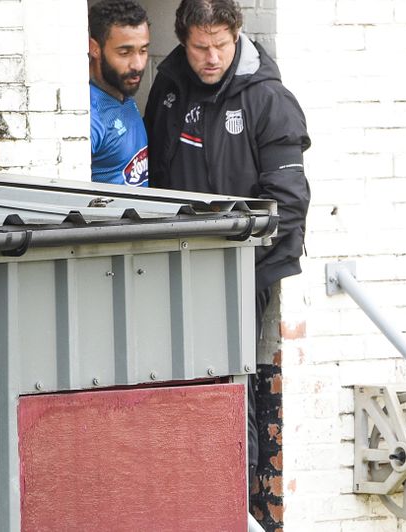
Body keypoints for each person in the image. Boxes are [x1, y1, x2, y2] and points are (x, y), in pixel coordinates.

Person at [143, 0, 311, 490]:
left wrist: (240, 266)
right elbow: (155, 181)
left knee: (230, 379)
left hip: (242, 270)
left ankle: (237, 493)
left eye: (221, 45)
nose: (211, 57)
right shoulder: (169, 88)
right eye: (201, 47)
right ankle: (190, 489)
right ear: (183, 42)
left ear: (237, 35)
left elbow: (289, 203)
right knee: (176, 377)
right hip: (174, 265)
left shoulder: (268, 99)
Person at [88, 0, 150, 186]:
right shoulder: (90, 115)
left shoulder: (121, 90)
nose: (138, 65)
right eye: (125, 53)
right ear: (95, 48)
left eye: (143, 50)